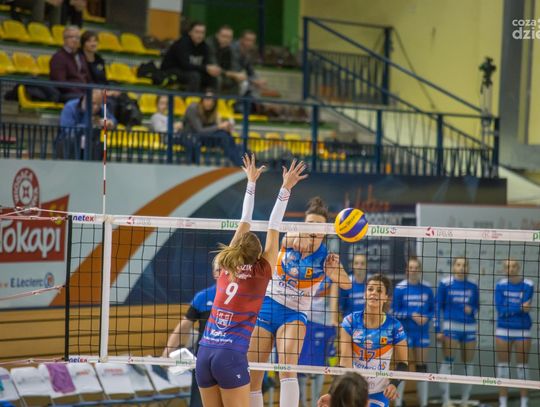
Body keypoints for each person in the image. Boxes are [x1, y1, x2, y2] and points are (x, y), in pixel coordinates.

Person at [195, 155, 308, 407]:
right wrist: (286, 187)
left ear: (236, 249)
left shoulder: (224, 264)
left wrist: (251, 182)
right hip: (230, 356)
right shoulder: (262, 272)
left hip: (205, 353)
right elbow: (273, 225)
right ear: (258, 256)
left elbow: (244, 220)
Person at [248, 197, 352, 407]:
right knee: (253, 374)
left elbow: (346, 284)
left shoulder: (326, 258)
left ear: (325, 231)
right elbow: (288, 239)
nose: (313, 228)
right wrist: (299, 235)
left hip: (294, 314)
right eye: (310, 223)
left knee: (287, 368)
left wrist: (335, 272)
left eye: (318, 225)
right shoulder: (290, 237)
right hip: (267, 305)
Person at [339, 274, 408, 407]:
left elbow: (403, 363)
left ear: (386, 297)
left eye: (379, 290)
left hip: (379, 391)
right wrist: (336, 391)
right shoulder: (350, 321)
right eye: (370, 289)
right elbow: (345, 361)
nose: (374, 293)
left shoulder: (394, 326)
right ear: (364, 294)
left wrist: (394, 384)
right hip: (354, 389)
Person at [162, 265, 219, 407]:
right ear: (214, 273)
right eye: (219, 270)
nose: (223, 273)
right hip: (204, 361)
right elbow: (183, 327)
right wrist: (167, 353)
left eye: (227, 270)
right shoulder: (203, 297)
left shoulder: (241, 298)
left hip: (230, 359)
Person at [435, 257, 479, 407]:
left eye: (464, 265)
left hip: (469, 328)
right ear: (454, 267)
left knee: (468, 364)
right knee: (448, 362)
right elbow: (437, 307)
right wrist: (438, 329)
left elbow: (477, 307)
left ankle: (465, 401)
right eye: (458, 265)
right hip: (451, 327)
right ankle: (446, 401)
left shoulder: (473, 285)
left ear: (468, 268)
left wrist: (472, 310)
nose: (461, 267)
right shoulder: (445, 283)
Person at [392, 257, 434, 407]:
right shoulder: (400, 288)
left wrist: (426, 317)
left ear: (420, 270)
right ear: (407, 270)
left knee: (421, 367)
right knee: (402, 366)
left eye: (416, 268)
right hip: (405, 333)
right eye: (411, 267)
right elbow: (394, 312)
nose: (414, 270)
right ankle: (398, 403)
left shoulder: (427, 288)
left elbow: (433, 310)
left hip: (422, 333)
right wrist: (411, 314)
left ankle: (423, 403)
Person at [495, 259, 534, 407]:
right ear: (503, 269)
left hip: (522, 329)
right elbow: (501, 310)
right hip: (503, 329)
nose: (510, 269)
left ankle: (524, 403)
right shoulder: (500, 285)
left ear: (519, 267)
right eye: (507, 266)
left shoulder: (528, 284)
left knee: (522, 367)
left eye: (513, 266)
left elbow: (525, 307)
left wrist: (509, 308)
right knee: (503, 366)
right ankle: (502, 403)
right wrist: (519, 307)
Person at [298, 276, 338, 407]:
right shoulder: (307, 271)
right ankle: (304, 404)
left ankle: (317, 403)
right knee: (302, 366)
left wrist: (333, 318)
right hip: (306, 320)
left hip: (324, 323)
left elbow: (334, 297)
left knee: (321, 366)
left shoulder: (332, 275)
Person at [183, 91, 241, 166]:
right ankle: (239, 164)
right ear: (202, 100)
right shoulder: (193, 108)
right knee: (223, 136)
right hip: (191, 137)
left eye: (212, 101)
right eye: (207, 99)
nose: (210, 103)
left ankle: (242, 162)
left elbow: (212, 127)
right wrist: (219, 126)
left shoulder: (212, 112)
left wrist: (225, 128)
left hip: (204, 137)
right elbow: (200, 130)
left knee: (226, 135)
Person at [161, 21, 221, 92]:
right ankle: (190, 97)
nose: (200, 35)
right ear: (190, 32)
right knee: (194, 76)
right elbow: (185, 65)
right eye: (197, 32)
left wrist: (212, 69)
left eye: (202, 33)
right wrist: (206, 68)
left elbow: (206, 63)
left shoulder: (204, 46)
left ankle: (210, 97)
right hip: (171, 71)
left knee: (213, 77)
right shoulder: (182, 44)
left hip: (190, 71)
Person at [56, 89, 116, 159]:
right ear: (85, 100)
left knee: (99, 145)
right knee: (71, 141)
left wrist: (110, 123)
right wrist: (89, 124)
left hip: (91, 146)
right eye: (93, 103)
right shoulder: (70, 107)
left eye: (99, 104)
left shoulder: (101, 109)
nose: (96, 107)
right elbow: (67, 130)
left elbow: (113, 121)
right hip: (70, 144)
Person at [49, 25, 90, 102]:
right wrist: (81, 92)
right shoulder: (58, 57)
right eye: (71, 37)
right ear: (64, 39)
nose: (74, 40)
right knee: (91, 101)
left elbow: (87, 78)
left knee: (108, 100)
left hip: (83, 93)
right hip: (68, 94)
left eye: (77, 38)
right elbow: (60, 83)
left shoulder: (81, 56)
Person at [206, 25, 246, 94]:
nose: (226, 39)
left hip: (224, 74)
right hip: (208, 73)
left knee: (242, 81)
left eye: (229, 37)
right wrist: (234, 74)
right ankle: (216, 100)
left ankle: (234, 101)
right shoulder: (209, 45)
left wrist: (239, 74)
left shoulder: (232, 47)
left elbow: (235, 66)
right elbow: (215, 68)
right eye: (224, 36)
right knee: (218, 79)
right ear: (217, 35)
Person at [231, 30, 268, 97]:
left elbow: (251, 71)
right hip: (228, 75)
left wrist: (259, 81)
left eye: (252, 41)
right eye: (247, 40)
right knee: (245, 83)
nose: (250, 43)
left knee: (257, 78)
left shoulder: (248, 53)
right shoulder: (232, 49)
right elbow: (234, 71)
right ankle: (242, 102)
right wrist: (254, 81)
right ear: (241, 39)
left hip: (238, 77)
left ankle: (254, 102)